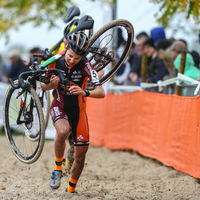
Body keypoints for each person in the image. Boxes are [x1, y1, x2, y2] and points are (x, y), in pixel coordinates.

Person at [40, 31, 105, 193]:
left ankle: (70, 190)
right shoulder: (55, 61)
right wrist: (51, 85)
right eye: (70, 56)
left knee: (80, 156)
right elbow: (43, 85)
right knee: (63, 131)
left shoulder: (85, 65)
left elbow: (101, 92)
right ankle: (57, 169)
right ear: (66, 48)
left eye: (77, 58)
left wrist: (85, 92)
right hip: (59, 105)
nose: (72, 60)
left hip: (79, 111)